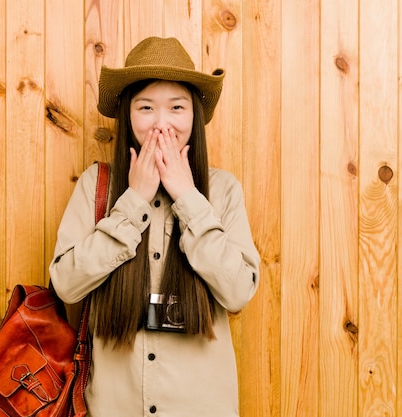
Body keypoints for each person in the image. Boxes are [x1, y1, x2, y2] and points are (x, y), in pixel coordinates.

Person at [50, 36, 260, 417]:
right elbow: (65, 283)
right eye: (146, 108)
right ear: (128, 116)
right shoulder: (96, 186)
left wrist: (188, 198)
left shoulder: (223, 190)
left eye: (176, 108)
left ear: (194, 115)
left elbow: (238, 292)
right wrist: (133, 202)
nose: (161, 125)